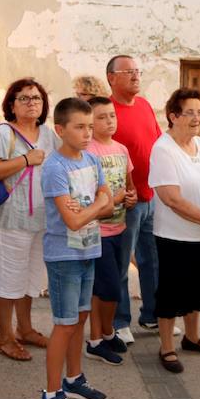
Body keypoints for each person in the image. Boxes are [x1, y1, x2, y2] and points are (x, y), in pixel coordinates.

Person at [38, 97, 113, 399]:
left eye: (89, 126)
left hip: (88, 251)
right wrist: (97, 205)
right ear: (60, 129)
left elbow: (109, 204)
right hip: (64, 256)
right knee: (64, 323)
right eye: (80, 127)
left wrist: (94, 207)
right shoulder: (55, 168)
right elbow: (73, 221)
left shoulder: (92, 161)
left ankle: (74, 378)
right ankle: (51, 395)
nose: (88, 133)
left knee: (80, 318)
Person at [148, 88, 200, 374]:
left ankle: (193, 338)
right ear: (173, 116)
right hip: (175, 237)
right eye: (190, 112)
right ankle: (167, 347)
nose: (197, 118)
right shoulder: (163, 149)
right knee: (172, 292)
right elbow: (171, 198)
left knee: (199, 287)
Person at [0, 78, 60, 362]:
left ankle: (24, 329)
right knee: (8, 281)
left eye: (36, 98)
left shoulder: (49, 134)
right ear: (12, 105)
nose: (32, 103)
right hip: (10, 220)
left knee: (30, 280)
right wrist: (25, 160)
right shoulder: (4, 133)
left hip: (42, 221)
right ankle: (4, 337)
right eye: (24, 98)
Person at [106, 55, 179, 343]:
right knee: (122, 263)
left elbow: (158, 142)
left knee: (154, 262)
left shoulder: (146, 105)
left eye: (137, 71)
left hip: (152, 198)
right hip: (126, 202)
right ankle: (120, 321)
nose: (136, 76)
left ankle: (152, 315)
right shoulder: (105, 110)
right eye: (128, 72)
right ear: (111, 77)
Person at [85, 96, 136, 365]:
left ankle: (107, 332)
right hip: (98, 231)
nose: (109, 121)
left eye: (112, 116)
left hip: (120, 228)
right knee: (105, 289)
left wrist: (131, 197)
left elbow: (130, 185)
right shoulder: (89, 152)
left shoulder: (121, 149)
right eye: (102, 117)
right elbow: (87, 194)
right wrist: (111, 201)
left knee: (113, 285)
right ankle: (96, 338)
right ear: (90, 122)